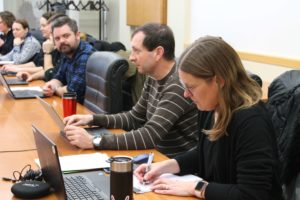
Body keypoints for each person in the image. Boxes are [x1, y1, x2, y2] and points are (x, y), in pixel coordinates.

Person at [134, 36, 283, 200]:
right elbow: (205, 153)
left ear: (218, 81)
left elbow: (251, 194)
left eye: (191, 87)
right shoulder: (210, 106)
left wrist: (196, 187)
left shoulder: (251, 122)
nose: (186, 94)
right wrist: (165, 166)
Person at [63, 23, 198, 158]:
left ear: (158, 53)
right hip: (155, 158)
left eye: (137, 51)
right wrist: (91, 119)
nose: (131, 57)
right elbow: (134, 118)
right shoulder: (153, 77)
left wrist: (95, 141)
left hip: (173, 166)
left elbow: (150, 135)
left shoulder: (177, 85)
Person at [42, 16, 94, 104]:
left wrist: (55, 89)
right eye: (57, 38)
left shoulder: (86, 55)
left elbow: (71, 92)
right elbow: (59, 77)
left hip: (86, 111)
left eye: (66, 36)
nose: (61, 41)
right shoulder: (67, 51)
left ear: (77, 35)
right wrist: (51, 85)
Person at [15, 13, 65, 82]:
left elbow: (50, 75)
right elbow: (51, 72)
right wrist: (31, 76)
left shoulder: (70, 52)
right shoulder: (50, 44)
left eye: (44, 25)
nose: (40, 29)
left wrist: (48, 53)